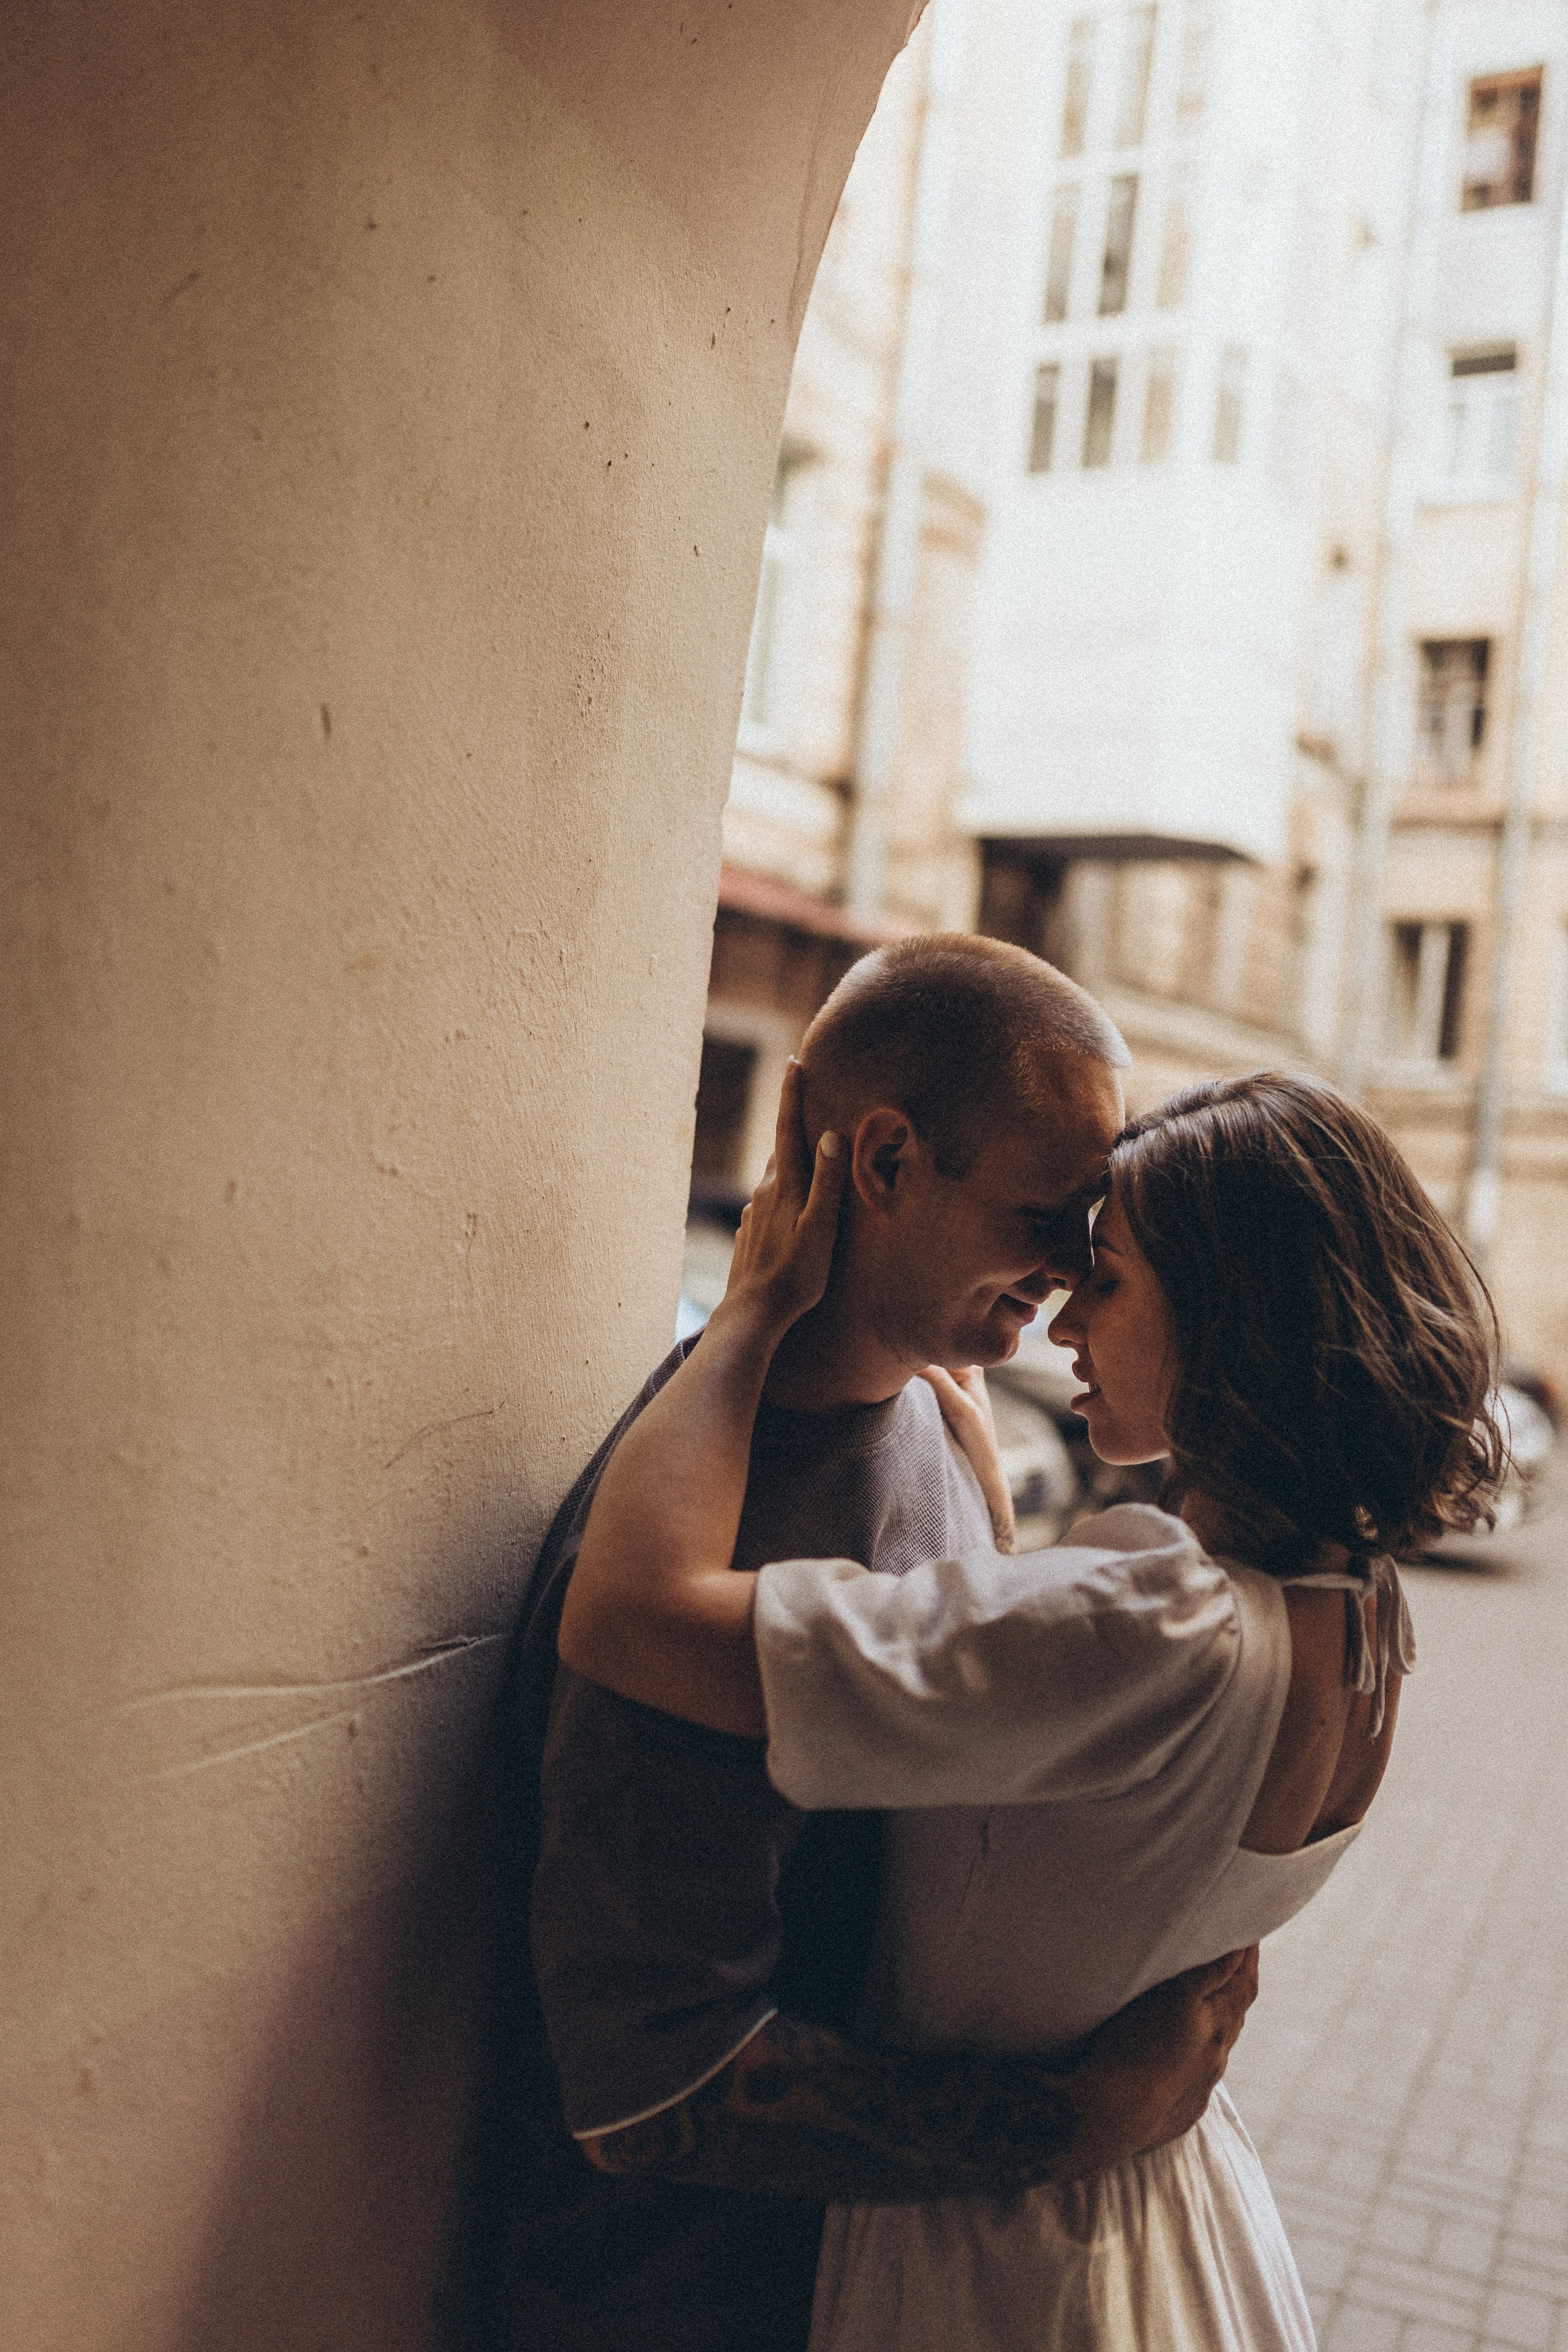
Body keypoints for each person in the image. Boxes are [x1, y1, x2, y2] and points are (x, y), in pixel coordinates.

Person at [558, 1064, 1505, 2351]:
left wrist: (751, 1314)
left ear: (1233, 1319)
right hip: (1176, 2221)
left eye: (1103, 1279)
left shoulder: (1151, 1629)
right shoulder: (1354, 1613)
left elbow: (630, 1620)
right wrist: (992, 1546)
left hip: (1002, 2264)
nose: (1062, 1325)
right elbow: (1078, 1786)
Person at [491, 938, 1261, 2351]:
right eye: (1045, 1216)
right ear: (886, 1161)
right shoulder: (696, 1539)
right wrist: (1076, 2122)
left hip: (863, 2294)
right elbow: (650, 2101)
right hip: (665, 2308)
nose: (1068, 1274)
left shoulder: (941, 1422)